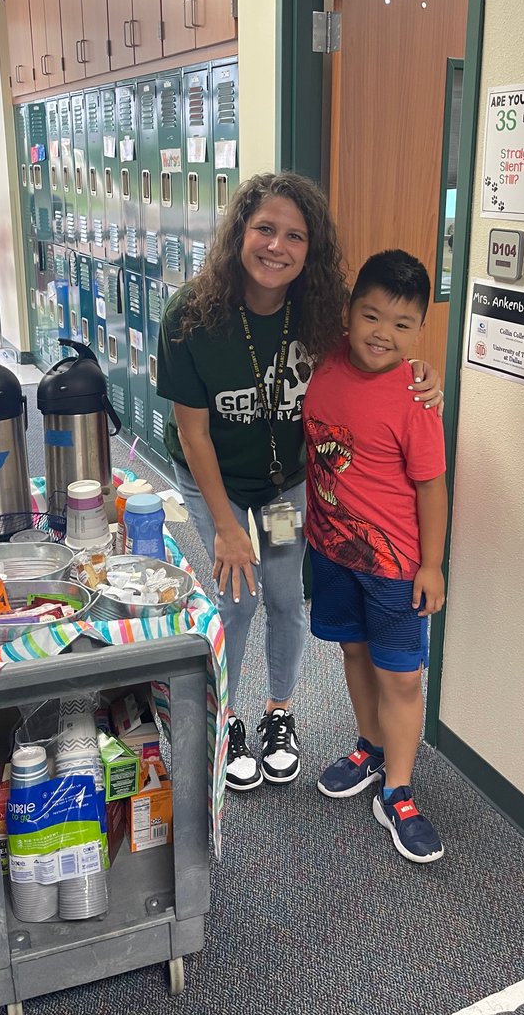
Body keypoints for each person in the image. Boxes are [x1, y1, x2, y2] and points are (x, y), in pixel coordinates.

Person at [156, 173, 443, 792]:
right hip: (218, 481)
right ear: (240, 232)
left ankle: (279, 711)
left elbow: (383, 342)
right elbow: (192, 435)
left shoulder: (320, 311)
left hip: (287, 483)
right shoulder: (190, 317)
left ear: (310, 250)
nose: (276, 246)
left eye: (295, 235)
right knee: (236, 601)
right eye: (264, 229)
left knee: (287, 597)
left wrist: (423, 372)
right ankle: (226, 718)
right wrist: (228, 528)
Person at [303, 249, 447, 863]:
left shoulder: (416, 398)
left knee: (403, 674)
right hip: (332, 552)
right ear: (349, 313)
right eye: (371, 315)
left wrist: (433, 564)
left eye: (401, 323)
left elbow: (432, 486)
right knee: (353, 650)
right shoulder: (325, 362)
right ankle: (369, 745)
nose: (382, 334)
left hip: (394, 567)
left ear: (419, 330)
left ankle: (399, 789)